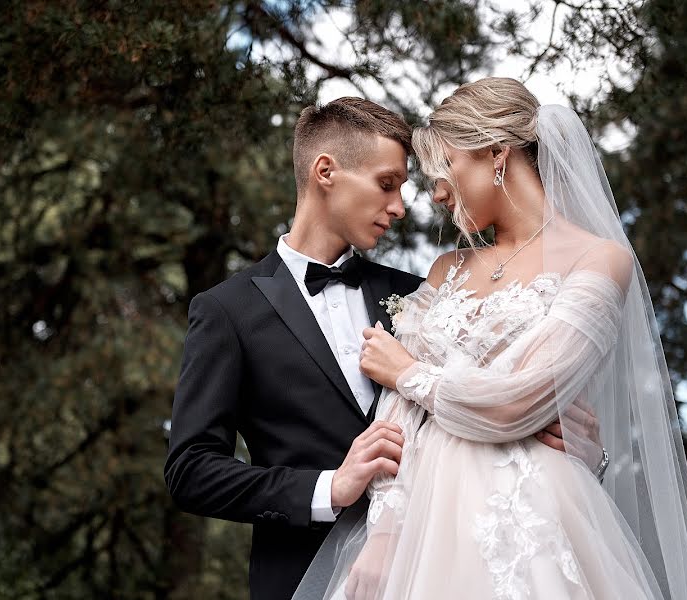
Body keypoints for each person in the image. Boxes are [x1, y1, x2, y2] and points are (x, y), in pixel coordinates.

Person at [292, 77, 687, 600]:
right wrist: (383, 534)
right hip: (417, 524)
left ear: (495, 152)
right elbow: (396, 415)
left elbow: (522, 399)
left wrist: (409, 371)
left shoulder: (599, 261)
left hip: (532, 514)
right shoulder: (447, 267)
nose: (436, 193)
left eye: (445, 170)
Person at [164, 96, 592, 600]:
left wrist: (560, 430)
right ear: (326, 171)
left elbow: (489, 401)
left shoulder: (426, 291)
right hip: (303, 575)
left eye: (403, 188)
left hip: (447, 561)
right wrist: (328, 488)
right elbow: (190, 469)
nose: (398, 207)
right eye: (386, 185)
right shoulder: (227, 310)